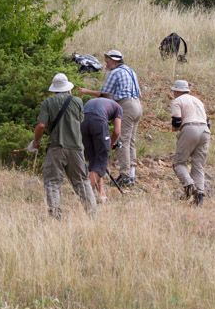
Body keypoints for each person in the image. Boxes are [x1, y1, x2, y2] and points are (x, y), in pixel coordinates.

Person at [31, 73, 97, 219]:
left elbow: (41, 125)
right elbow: (80, 120)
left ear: (54, 88)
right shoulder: (78, 101)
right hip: (76, 148)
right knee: (81, 182)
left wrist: (36, 141)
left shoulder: (48, 103)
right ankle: (92, 215)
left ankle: (55, 215)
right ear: (68, 88)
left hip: (55, 148)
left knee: (53, 182)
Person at [78, 49, 142, 186]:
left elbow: (105, 94)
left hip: (126, 105)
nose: (106, 62)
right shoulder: (131, 71)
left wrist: (86, 91)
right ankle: (132, 174)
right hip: (137, 105)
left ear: (114, 60)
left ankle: (124, 175)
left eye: (107, 59)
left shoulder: (115, 72)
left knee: (123, 140)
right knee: (131, 141)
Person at [169, 79, 211, 206]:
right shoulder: (198, 100)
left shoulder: (177, 101)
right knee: (198, 165)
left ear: (176, 91)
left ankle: (189, 185)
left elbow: (176, 121)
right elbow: (207, 120)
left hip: (190, 128)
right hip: (205, 130)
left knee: (178, 163)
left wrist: (175, 129)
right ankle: (199, 196)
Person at [81, 97, 122, 203]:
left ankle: (101, 194)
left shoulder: (97, 101)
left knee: (94, 162)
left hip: (83, 122)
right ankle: (86, 196)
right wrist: (110, 144)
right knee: (101, 161)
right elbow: (117, 131)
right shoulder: (118, 108)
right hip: (98, 121)